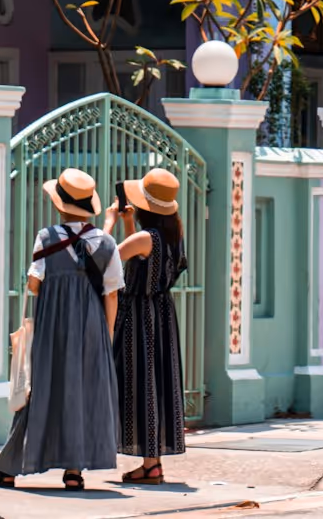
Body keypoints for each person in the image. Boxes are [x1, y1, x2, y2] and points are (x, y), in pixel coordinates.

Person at [0, 168, 122, 491]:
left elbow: (33, 284)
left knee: (37, 392)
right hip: (93, 329)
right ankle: (74, 470)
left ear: (59, 205)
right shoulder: (107, 243)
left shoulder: (47, 237)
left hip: (53, 327)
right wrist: (107, 334)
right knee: (82, 394)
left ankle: (8, 469)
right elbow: (112, 295)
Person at [107, 168, 187, 485]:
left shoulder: (145, 238)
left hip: (140, 317)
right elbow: (140, 260)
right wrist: (129, 222)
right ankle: (152, 463)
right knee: (156, 383)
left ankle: (151, 463)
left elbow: (107, 261)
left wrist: (111, 221)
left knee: (140, 383)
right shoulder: (172, 238)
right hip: (163, 315)